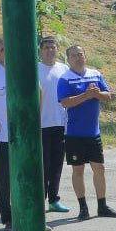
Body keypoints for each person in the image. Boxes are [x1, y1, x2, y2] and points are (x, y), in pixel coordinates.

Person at [0, 38, 51, 231]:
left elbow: (39, 92)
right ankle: (9, 220)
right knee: (4, 182)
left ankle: (34, 218)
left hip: (26, 137)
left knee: (32, 179)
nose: (7, 53)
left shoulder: (26, 68)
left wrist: (35, 121)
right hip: (1, 138)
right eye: (3, 50)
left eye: (10, 48)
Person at [58, 46, 116, 221]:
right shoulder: (65, 79)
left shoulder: (95, 74)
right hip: (74, 134)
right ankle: (83, 207)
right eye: (74, 56)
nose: (78, 58)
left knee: (99, 169)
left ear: (85, 56)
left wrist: (97, 94)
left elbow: (108, 96)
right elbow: (64, 102)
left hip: (93, 133)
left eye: (80, 54)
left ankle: (102, 206)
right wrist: (86, 96)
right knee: (78, 170)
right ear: (68, 59)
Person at [37, 36, 70, 214]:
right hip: (41, 125)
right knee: (43, 166)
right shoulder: (35, 69)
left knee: (57, 164)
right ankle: (40, 202)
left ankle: (54, 200)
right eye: (46, 47)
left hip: (60, 124)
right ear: (41, 50)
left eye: (53, 47)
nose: (50, 50)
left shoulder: (64, 69)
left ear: (57, 50)